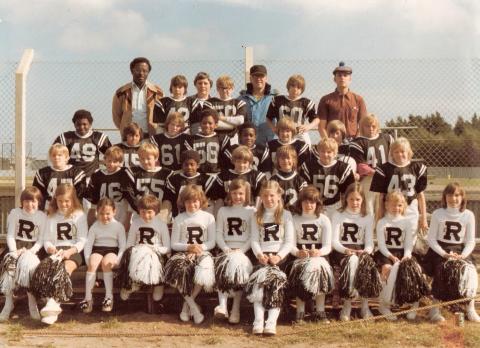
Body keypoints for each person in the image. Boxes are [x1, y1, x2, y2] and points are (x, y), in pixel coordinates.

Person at [424, 183, 480, 322]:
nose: (453, 198)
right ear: (444, 197)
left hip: (460, 250)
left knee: (470, 270)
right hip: (440, 250)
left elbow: (470, 241)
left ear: (462, 197)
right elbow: (431, 239)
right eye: (449, 195)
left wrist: (463, 256)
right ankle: (434, 309)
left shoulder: (468, 215)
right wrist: (444, 254)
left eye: (457, 195)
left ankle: (470, 307)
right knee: (442, 268)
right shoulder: (438, 213)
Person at [246, 180, 294, 336]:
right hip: (262, 256)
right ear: (261, 196)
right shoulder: (256, 215)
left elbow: (289, 241)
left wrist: (278, 257)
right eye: (265, 196)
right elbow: (254, 239)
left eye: (272, 195)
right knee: (259, 285)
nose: (269, 199)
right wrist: (260, 255)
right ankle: (258, 320)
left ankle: (271, 322)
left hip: (280, 257)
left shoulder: (286, 215)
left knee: (275, 285)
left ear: (279, 196)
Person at [166, 184, 216, 324]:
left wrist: (198, 250)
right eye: (188, 201)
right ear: (183, 202)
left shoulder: (208, 217)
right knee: (179, 269)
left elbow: (212, 242)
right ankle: (193, 307)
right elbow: (174, 244)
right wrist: (189, 247)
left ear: (201, 201)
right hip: (184, 253)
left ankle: (185, 307)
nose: (192, 204)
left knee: (203, 269)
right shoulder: (179, 218)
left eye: (195, 201)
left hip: (202, 252)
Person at [40, 184, 88, 325]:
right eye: (60, 201)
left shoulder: (79, 215)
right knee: (49, 269)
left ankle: (53, 303)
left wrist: (69, 252)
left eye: (67, 201)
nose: (63, 204)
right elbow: (46, 239)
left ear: (73, 200)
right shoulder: (51, 216)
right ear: (56, 200)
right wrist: (51, 249)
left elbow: (82, 240)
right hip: (56, 249)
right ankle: (53, 305)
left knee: (65, 269)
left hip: (73, 251)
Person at [0, 187, 47, 321]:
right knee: (9, 265)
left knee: (29, 268)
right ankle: (8, 304)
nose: (29, 204)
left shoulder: (42, 216)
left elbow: (41, 240)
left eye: (33, 201)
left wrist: (30, 252)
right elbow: (10, 236)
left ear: (39, 202)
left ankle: (32, 303)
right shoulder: (15, 213)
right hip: (17, 245)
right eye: (26, 201)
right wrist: (14, 251)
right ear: (22, 201)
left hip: (34, 248)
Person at [331, 183, 375, 321]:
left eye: (358, 199)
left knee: (365, 262)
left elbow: (369, 242)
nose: (355, 203)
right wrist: (346, 250)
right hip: (342, 251)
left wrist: (365, 251)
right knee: (352, 261)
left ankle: (365, 305)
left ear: (362, 200)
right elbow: (334, 241)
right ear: (345, 199)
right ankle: (347, 304)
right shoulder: (338, 214)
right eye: (351, 199)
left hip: (360, 250)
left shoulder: (367, 216)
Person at [289, 185, 333, 323]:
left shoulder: (324, 219)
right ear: (300, 202)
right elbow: (290, 244)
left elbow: (328, 246)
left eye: (312, 202)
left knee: (320, 270)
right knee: (299, 272)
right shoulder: (294, 219)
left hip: (318, 256)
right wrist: (298, 252)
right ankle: (300, 312)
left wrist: (319, 252)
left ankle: (320, 311)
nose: (309, 205)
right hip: (300, 255)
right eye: (305, 202)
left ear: (317, 203)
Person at [214, 179, 255, 324]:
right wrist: (226, 249)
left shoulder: (251, 211)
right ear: (229, 194)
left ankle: (235, 308)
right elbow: (218, 232)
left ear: (246, 194)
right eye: (234, 193)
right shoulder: (223, 210)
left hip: (244, 251)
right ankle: (223, 306)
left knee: (238, 270)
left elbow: (253, 235)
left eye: (241, 193)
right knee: (223, 267)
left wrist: (241, 250)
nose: (238, 196)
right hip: (226, 249)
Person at [119, 195, 170, 304]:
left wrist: (154, 249)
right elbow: (129, 244)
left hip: (156, 254)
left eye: (149, 212)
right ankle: (133, 282)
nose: (146, 215)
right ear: (138, 211)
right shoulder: (136, 223)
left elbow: (167, 247)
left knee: (155, 259)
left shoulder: (161, 224)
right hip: (138, 253)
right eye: (143, 212)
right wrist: (138, 251)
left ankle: (158, 283)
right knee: (133, 255)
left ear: (156, 211)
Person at [375, 191, 417, 321]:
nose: (396, 208)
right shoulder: (382, 222)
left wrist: (406, 256)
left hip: (403, 252)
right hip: (386, 252)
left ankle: (413, 303)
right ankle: (384, 304)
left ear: (403, 206)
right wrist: (391, 257)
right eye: (393, 205)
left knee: (414, 269)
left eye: (399, 205)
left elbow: (409, 244)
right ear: (386, 205)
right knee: (387, 268)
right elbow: (381, 245)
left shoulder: (407, 222)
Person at [370, 137, 428, 231]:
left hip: (410, 207)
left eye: (402, 151)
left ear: (408, 152)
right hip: (391, 208)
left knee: (410, 236)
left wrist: (424, 218)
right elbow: (381, 197)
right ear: (391, 154)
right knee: (392, 236)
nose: (399, 154)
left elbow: (420, 195)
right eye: (396, 152)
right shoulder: (384, 169)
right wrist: (379, 216)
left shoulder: (416, 168)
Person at [81, 198, 126, 313]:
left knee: (106, 263)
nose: (104, 216)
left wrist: (118, 259)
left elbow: (122, 246)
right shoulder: (94, 227)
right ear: (97, 212)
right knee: (92, 263)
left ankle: (109, 297)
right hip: (98, 249)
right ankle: (88, 298)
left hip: (112, 250)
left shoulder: (119, 226)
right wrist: (87, 259)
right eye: (101, 213)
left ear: (114, 212)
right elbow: (88, 245)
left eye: (108, 214)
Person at [349, 114, 394, 215]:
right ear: (362, 127)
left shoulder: (387, 138)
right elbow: (361, 166)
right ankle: (370, 229)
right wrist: (379, 173)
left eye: (373, 126)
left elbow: (393, 157)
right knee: (369, 206)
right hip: (369, 179)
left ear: (377, 126)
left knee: (386, 205)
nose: (371, 129)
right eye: (367, 126)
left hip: (387, 177)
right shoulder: (358, 142)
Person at [301, 138, 355, 220]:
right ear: (318, 152)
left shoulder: (343, 167)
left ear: (335, 153)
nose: (325, 154)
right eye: (322, 151)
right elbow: (304, 190)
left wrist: (345, 207)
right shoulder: (309, 166)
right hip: (314, 204)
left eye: (329, 152)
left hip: (335, 206)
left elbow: (347, 192)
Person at [85, 146, 136, 228]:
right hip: (103, 209)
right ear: (104, 159)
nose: (111, 164)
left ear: (120, 162)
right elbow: (94, 198)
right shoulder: (97, 174)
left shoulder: (124, 173)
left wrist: (129, 216)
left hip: (120, 209)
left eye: (115, 161)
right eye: (109, 160)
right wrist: (92, 212)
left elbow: (130, 196)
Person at [53, 109, 111, 181]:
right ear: (74, 124)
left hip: (92, 177)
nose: (81, 127)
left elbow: (112, 155)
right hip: (71, 177)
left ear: (90, 124)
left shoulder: (98, 137)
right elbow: (53, 154)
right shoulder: (66, 138)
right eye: (78, 124)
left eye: (84, 124)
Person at [112, 57, 163, 137]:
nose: (141, 73)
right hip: (129, 137)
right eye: (138, 70)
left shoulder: (157, 92)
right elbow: (116, 117)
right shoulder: (121, 92)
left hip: (150, 136)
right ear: (132, 71)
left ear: (148, 72)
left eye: (145, 71)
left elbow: (161, 116)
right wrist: (125, 130)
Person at [317, 62, 367, 139]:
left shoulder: (358, 100)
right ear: (334, 79)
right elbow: (321, 127)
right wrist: (328, 143)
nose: (342, 78)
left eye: (345, 75)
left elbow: (363, 125)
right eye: (339, 75)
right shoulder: (325, 100)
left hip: (353, 140)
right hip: (333, 141)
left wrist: (357, 141)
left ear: (350, 79)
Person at [266, 74, 318, 145]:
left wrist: (308, 126)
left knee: (306, 151)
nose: (295, 89)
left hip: (299, 134)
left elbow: (316, 119)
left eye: (299, 87)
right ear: (288, 86)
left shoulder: (306, 102)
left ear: (302, 90)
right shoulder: (277, 100)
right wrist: (274, 128)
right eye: (293, 86)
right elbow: (268, 118)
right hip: (282, 134)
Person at [33, 144, 86, 211]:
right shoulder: (43, 173)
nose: (56, 157)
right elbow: (38, 195)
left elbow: (79, 195)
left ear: (67, 157)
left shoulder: (76, 173)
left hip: (70, 207)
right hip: (50, 208)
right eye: (53, 155)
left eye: (59, 155)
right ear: (50, 157)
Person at [164, 150, 217, 217]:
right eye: (186, 164)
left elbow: (211, 202)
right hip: (181, 217)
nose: (189, 167)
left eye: (192, 164)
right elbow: (168, 201)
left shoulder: (206, 179)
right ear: (182, 165)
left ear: (198, 165)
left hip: (201, 217)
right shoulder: (174, 180)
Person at [131, 142, 173, 223]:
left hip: (160, 212)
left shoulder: (167, 173)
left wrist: (163, 214)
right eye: (142, 159)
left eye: (148, 158)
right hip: (140, 212)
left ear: (156, 158)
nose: (145, 161)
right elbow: (131, 195)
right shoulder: (134, 172)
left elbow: (169, 198)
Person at [240, 65, 277, 148]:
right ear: (250, 78)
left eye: (261, 76)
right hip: (247, 145)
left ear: (266, 78)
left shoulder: (275, 98)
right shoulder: (241, 99)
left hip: (269, 143)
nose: (258, 78)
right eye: (255, 76)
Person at [190, 109, 230, 175]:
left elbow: (226, 161)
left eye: (210, 123)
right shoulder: (192, 139)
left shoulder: (222, 139)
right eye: (204, 123)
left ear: (216, 125)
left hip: (216, 175)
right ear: (200, 124)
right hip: (198, 175)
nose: (207, 126)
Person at [270, 145, 308, 212]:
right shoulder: (273, 180)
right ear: (278, 161)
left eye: (288, 158)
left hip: (295, 215)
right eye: (282, 158)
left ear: (294, 160)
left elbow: (304, 199)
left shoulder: (300, 180)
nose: (285, 161)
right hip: (278, 214)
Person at [209, 75, 247, 140]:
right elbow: (209, 123)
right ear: (217, 88)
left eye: (228, 88)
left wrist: (221, 118)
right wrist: (233, 125)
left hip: (233, 137)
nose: (225, 90)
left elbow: (240, 121)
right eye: (222, 88)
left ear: (232, 89)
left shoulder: (238, 103)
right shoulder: (210, 102)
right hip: (215, 137)